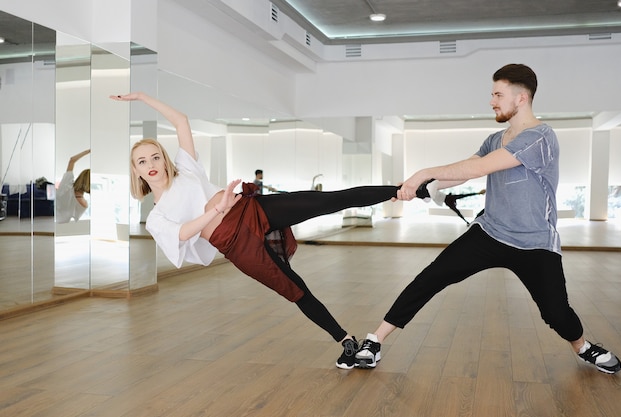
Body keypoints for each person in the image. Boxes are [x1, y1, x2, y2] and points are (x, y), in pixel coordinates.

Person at [355, 64, 621, 374]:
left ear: (521, 98)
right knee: (431, 277)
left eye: (498, 94)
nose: (492, 101)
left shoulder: (540, 137)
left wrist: (425, 173)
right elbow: (468, 166)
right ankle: (375, 340)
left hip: (534, 242)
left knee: (556, 314)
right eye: (492, 94)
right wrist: (425, 187)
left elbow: (480, 169)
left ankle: (583, 347)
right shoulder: (496, 138)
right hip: (490, 231)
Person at [110, 92, 402, 370]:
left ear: (164, 158)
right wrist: (216, 208)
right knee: (294, 289)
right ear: (135, 170)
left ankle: (402, 191)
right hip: (236, 244)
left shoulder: (186, 169)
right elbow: (183, 233)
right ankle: (346, 341)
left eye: (155, 156)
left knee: (328, 200)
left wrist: (142, 98)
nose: (151, 164)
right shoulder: (157, 216)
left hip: (250, 209)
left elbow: (181, 121)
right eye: (142, 161)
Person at [56, 149, 90, 223]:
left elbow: (72, 160)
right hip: (60, 226)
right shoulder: (84, 204)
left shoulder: (67, 183)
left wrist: (88, 151)